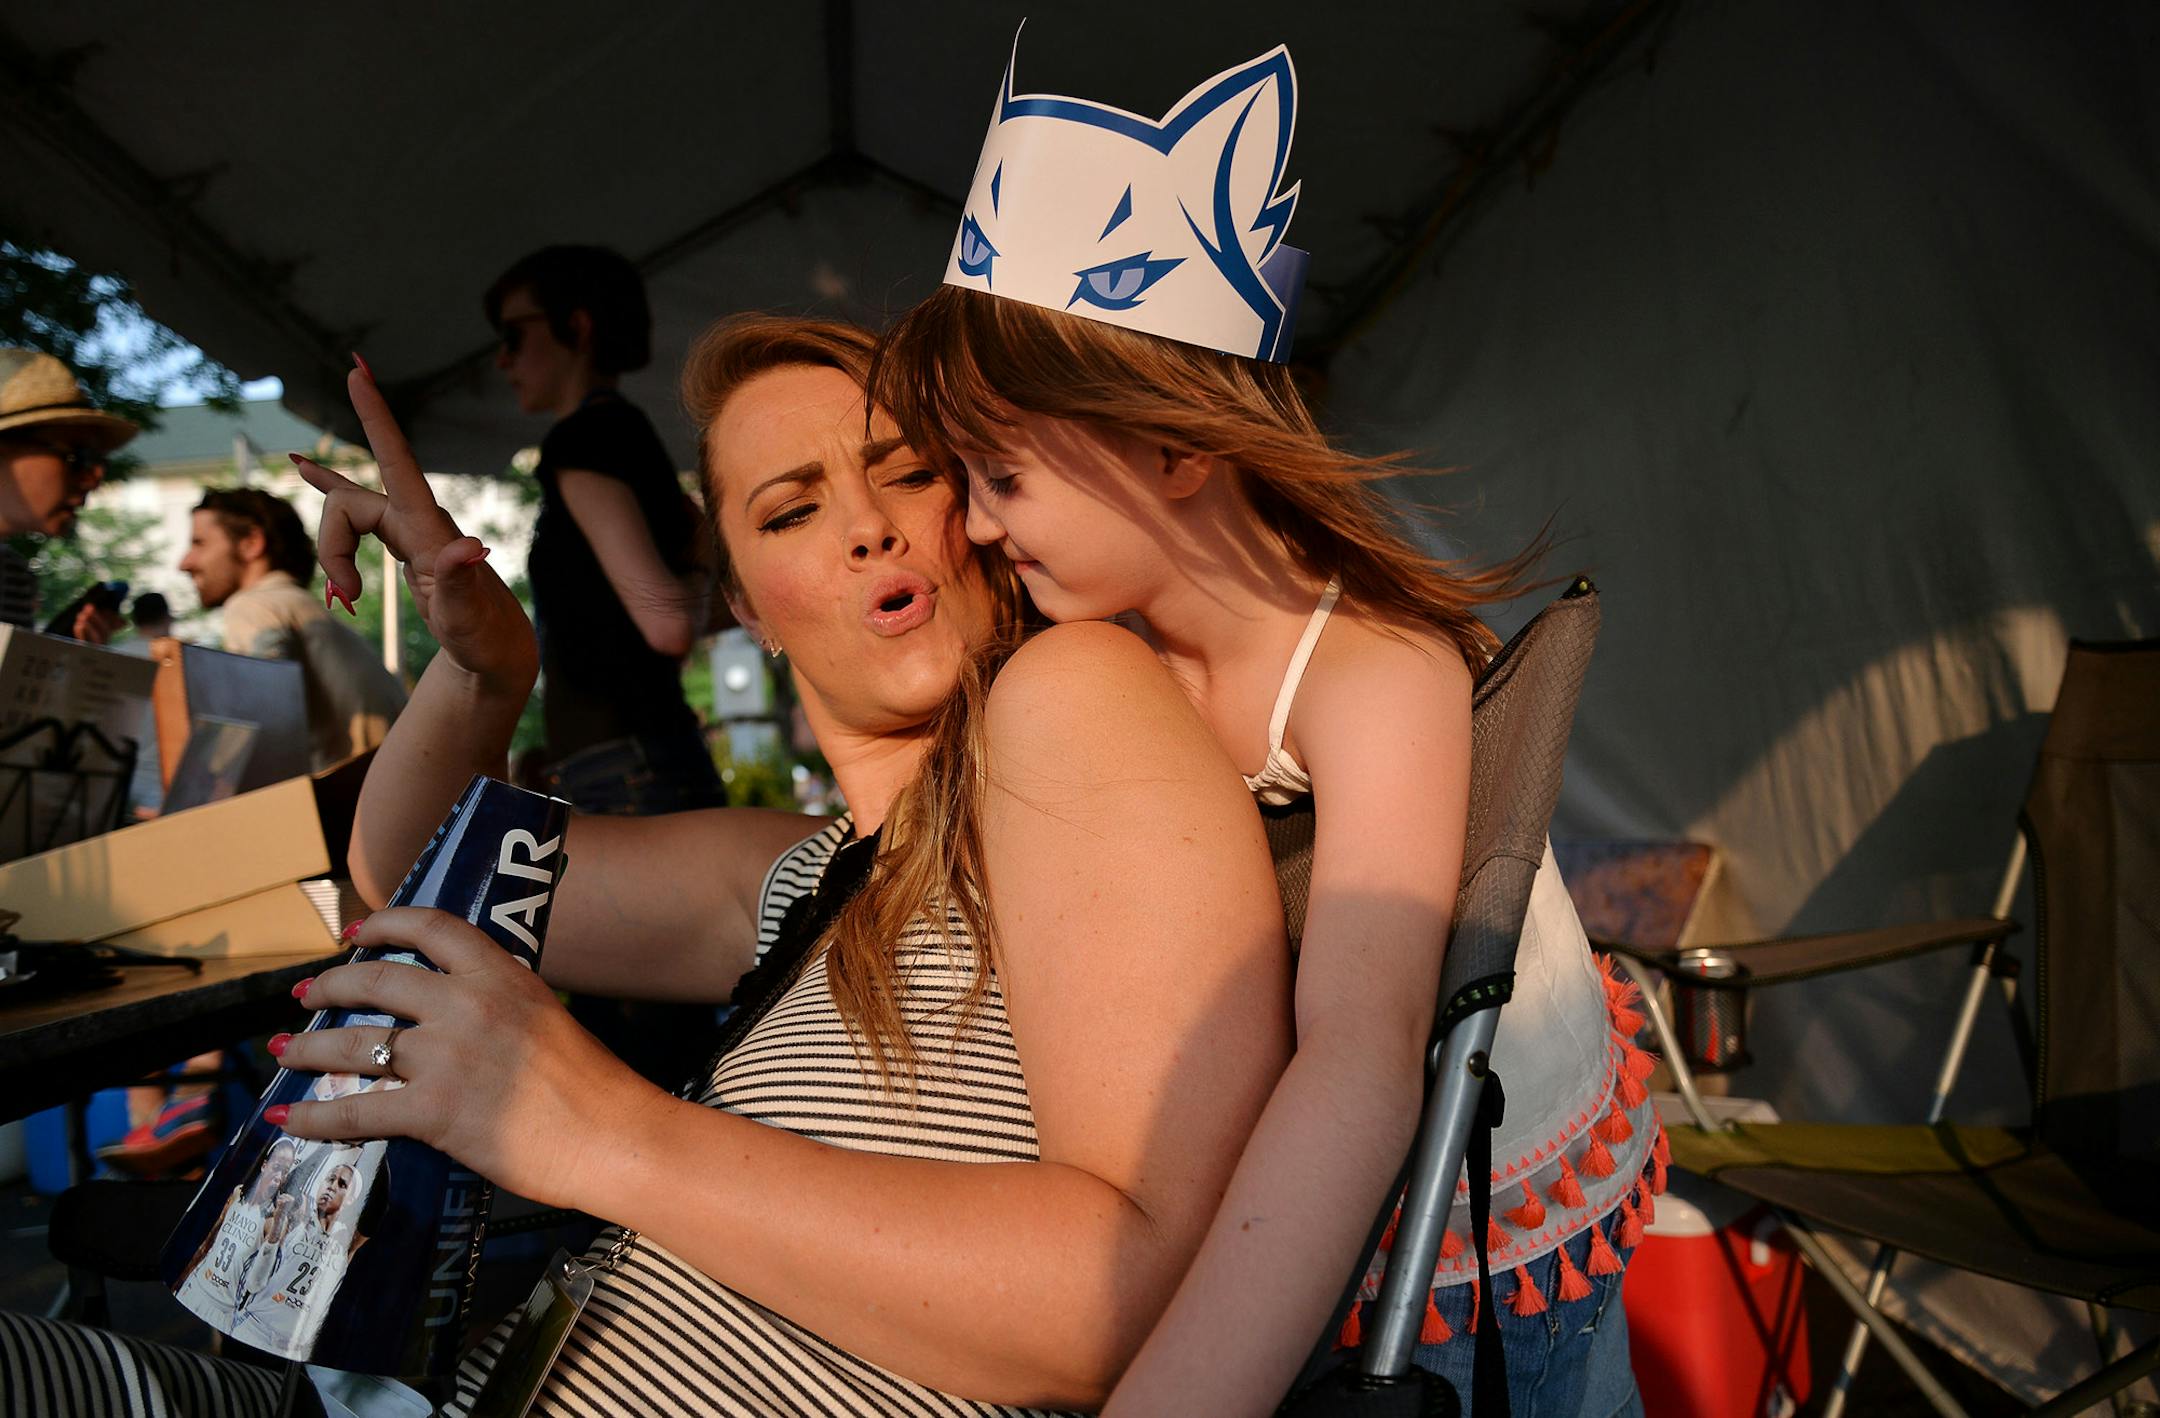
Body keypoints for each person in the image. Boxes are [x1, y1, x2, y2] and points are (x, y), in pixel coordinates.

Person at [0, 316, 1294, 1417]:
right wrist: (483, 669)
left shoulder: (1072, 696)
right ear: (741, 597)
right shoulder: (794, 876)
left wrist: (600, 1127)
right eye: (793, 507)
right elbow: (407, 876)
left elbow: (1134, 1296)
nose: (865, 529)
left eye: (906, 473)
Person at [871, 39, 1660, 1417]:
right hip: (1327, 1224)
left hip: (1480, 1243)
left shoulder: (1374, 668)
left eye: (1000, 475)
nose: (980, 524)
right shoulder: (1115, 668)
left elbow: (1364, 1049)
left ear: (1176, 448)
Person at [483, 246, 720, 814]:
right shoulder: (624, 433)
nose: (502, 360)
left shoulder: (586, 437)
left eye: (513, 334)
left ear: (577, 325)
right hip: (641, 755)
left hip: (626, 766)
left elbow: (667, 626)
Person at [180, 486, 407, 770]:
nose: (184, 563)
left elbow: (266, 720)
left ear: (251, 542)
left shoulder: (253, 606)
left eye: (199, 543)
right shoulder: (303, 610)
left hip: (346, 807)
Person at [0, 348, 134, 641]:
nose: (95, 479)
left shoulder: (14, 577)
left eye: (100, 462)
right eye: (80, 457)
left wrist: (66, 660)